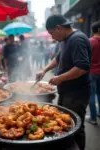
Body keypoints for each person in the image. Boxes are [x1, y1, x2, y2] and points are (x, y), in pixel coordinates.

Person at [36, 14, 91, 150]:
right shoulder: (66, 39)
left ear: (58, 28)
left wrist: (59, 78)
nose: (52, 37)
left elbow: (82, 67)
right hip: (67, 92)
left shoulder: (77, 39)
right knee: (65, 126)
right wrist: (44, 70)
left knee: (75, 126)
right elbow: (59, 58)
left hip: (76, 94)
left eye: (51, 33)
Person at [88, 21, 100, 125]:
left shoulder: (90, 41)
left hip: (91, 72)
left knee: (91, 95)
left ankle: (93, 118)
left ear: (93, 30)